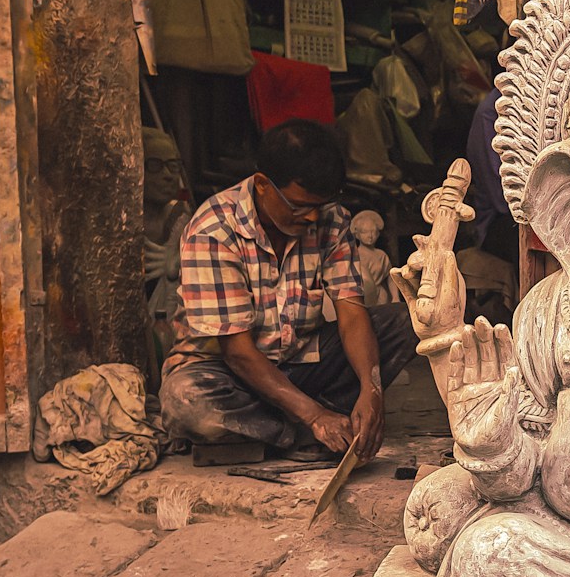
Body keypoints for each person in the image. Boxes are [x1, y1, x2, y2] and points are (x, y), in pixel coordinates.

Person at [159, 120, 416, 456]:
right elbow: (237, 352)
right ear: (263, 184)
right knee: (187, 402)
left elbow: (352, 314)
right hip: (227, 371)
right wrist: (314, 415)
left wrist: (373, 389)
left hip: (301, 362)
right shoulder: (214, 231)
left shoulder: (331, 219)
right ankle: (307, 429)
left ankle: (282, 429)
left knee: (409, 318)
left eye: (319, 207)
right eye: (299, 206)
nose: (311, 218)